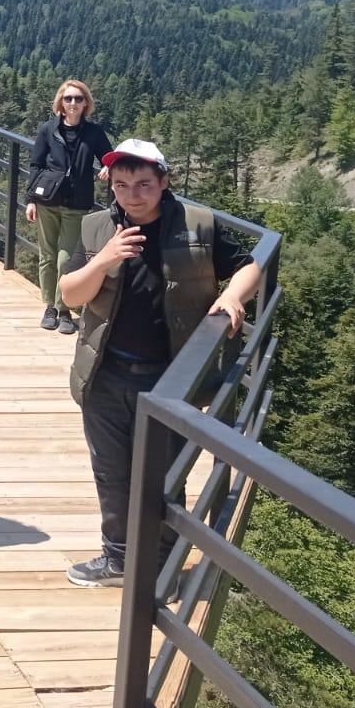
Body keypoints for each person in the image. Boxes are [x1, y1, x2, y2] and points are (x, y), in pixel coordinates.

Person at [58, 139, 262, 590]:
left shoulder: (197, 225)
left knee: (164, 478)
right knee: (112, 474)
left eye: (144, 185)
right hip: (105, 374)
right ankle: (118, 559)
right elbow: (70, 295)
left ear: (164, 182)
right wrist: (105, 259)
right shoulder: (97, 228)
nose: (132, 195)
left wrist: (232, 295)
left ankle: (161, 570)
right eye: (121, 185)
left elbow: (249, 266)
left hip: (170, 378)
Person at [26, 80, 114, 333]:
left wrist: (108, 166)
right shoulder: (48, 129)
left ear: (86, 103)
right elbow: (36, 165)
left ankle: (63, 308)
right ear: (60, 103)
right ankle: (50, 308)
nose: (73, 103)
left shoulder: (94, 132)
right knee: (47, 255)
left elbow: (108, 156)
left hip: (77, 202)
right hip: (47, 200)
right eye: (68, 99)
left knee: (66, 258)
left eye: (78, 98)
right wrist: (30, 199)